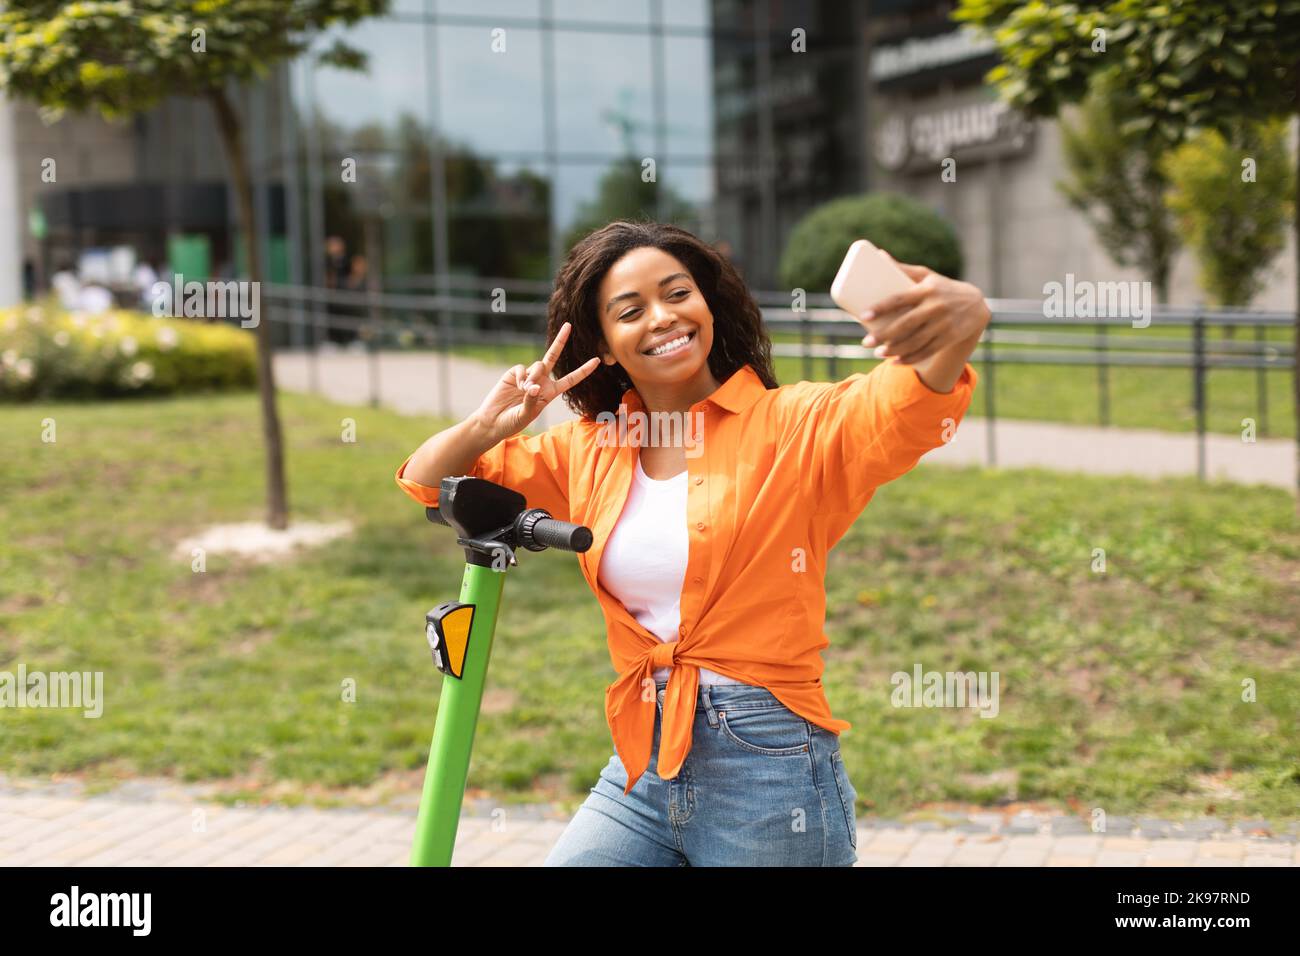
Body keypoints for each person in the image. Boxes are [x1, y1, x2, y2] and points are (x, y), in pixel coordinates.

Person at [394, 220, 988, 866]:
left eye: (678, 294)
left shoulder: (795, 426)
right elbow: (432, 486)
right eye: (631, 310)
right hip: (643, 767)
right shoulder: (591, 449)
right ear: (608, 345)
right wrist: (488, 424)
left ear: (708, 305)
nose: (663, 317)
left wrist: (965, 320)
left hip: (769, 770)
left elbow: (906, 404)